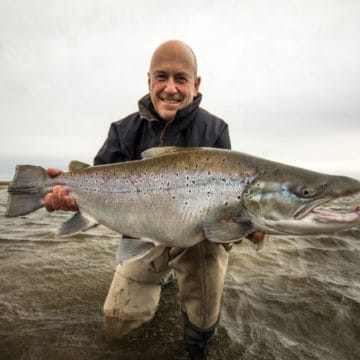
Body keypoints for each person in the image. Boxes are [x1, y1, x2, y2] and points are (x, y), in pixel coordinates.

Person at [45, 40, 264, 360]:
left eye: (181, 78)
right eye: (161, 77)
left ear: (196, 83)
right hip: (140, 234)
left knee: (202, 320)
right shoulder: (122, 131)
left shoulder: (215, 130)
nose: (171, 88)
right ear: (149, 80)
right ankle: (161, 284)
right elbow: (97, 186)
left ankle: (196, 346)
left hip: (197, 238)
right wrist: (69, 198)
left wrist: (246, 223)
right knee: (118, 322)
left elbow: (232, 195)